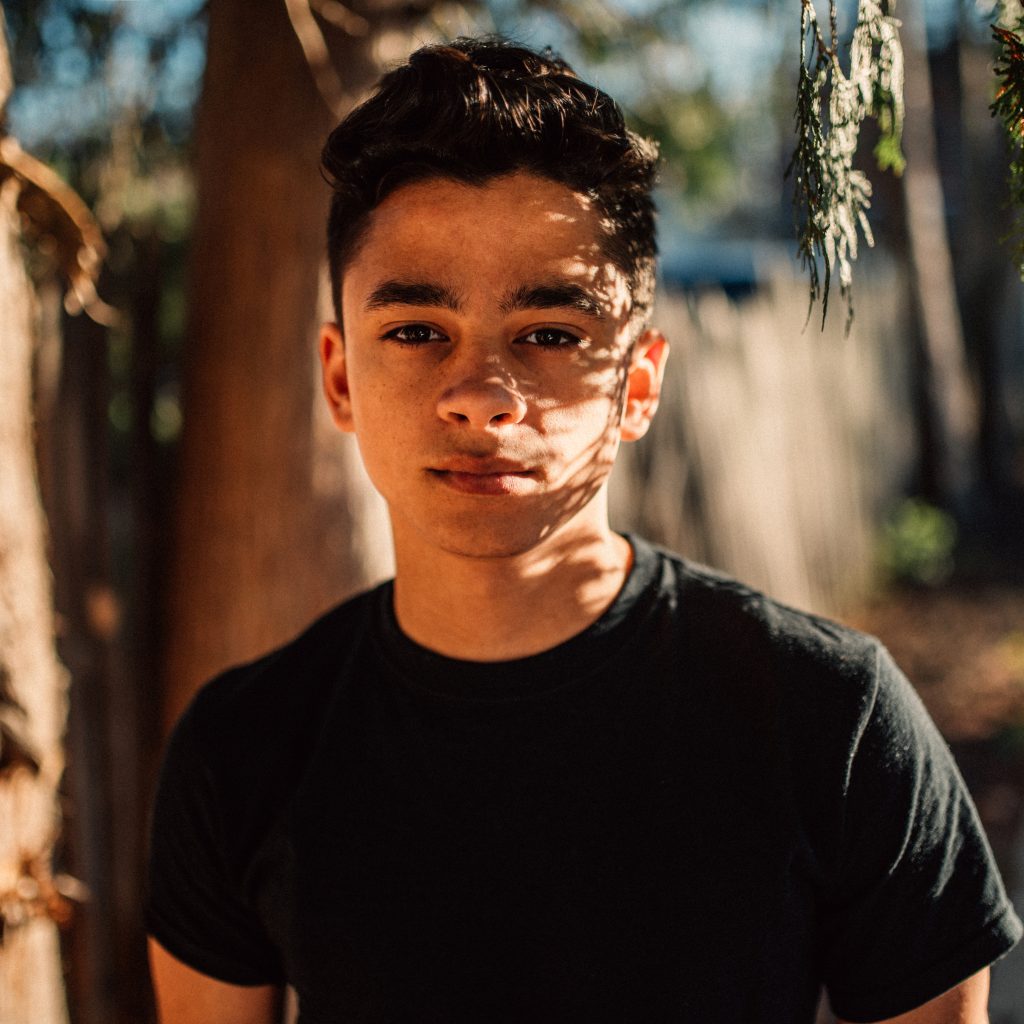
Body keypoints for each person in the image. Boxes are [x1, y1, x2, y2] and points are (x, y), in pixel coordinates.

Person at [145, 36, 1022, 1024]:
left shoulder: (833, 718)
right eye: (417, 330)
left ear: (636, 385)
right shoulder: (241, 750)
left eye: (550, 335)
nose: (481, 398)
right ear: (341, 377)